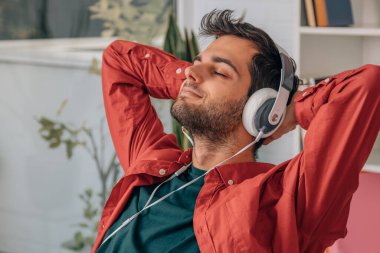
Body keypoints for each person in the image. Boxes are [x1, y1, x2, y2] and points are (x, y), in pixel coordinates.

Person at [92, 9, 380, 253]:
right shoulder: (152, 164)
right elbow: (119, 60)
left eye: (219, 72)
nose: (192, 73)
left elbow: (367, 85)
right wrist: (189, 80)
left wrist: (285, 112)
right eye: (196, 64)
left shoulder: (282, 203)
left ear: (260, 108)